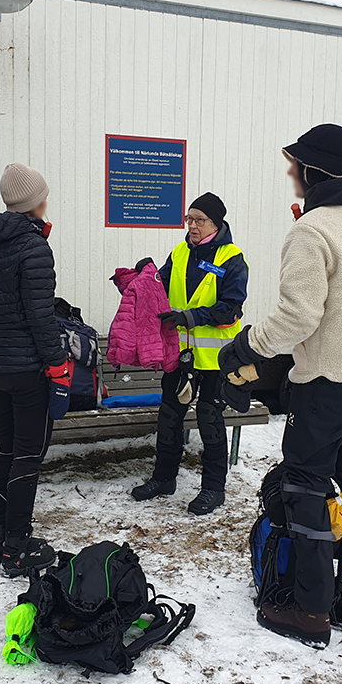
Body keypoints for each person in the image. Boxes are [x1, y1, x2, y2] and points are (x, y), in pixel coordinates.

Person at [218, 124, 342, 649]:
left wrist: (248, 346)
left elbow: (298, 317)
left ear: (315, 170)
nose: (291, 173)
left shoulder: (313, 231)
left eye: (296, 165)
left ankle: (309, 609)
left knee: (306, 490)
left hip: (329, 385)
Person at [0, 163, 70, 577]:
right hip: (28, 369)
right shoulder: (33, 247)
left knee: (2, 449)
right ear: (36, 202)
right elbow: (40, 317)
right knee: (27, 457)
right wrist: (58, 364)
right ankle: (17, 548)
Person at [130, 192, 249, 516]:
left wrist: (192, 317)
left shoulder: (232, 259)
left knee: (210, 423)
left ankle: (213, 488)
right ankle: (164, 479)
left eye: (199, 220)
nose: (192, 225)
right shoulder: (180, 252)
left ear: (216, 223)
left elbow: (231, 309)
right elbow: (160, 289)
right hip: (179, 356)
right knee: (169, 419)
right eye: (189, 219)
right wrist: (145, 276)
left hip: (214, 361)